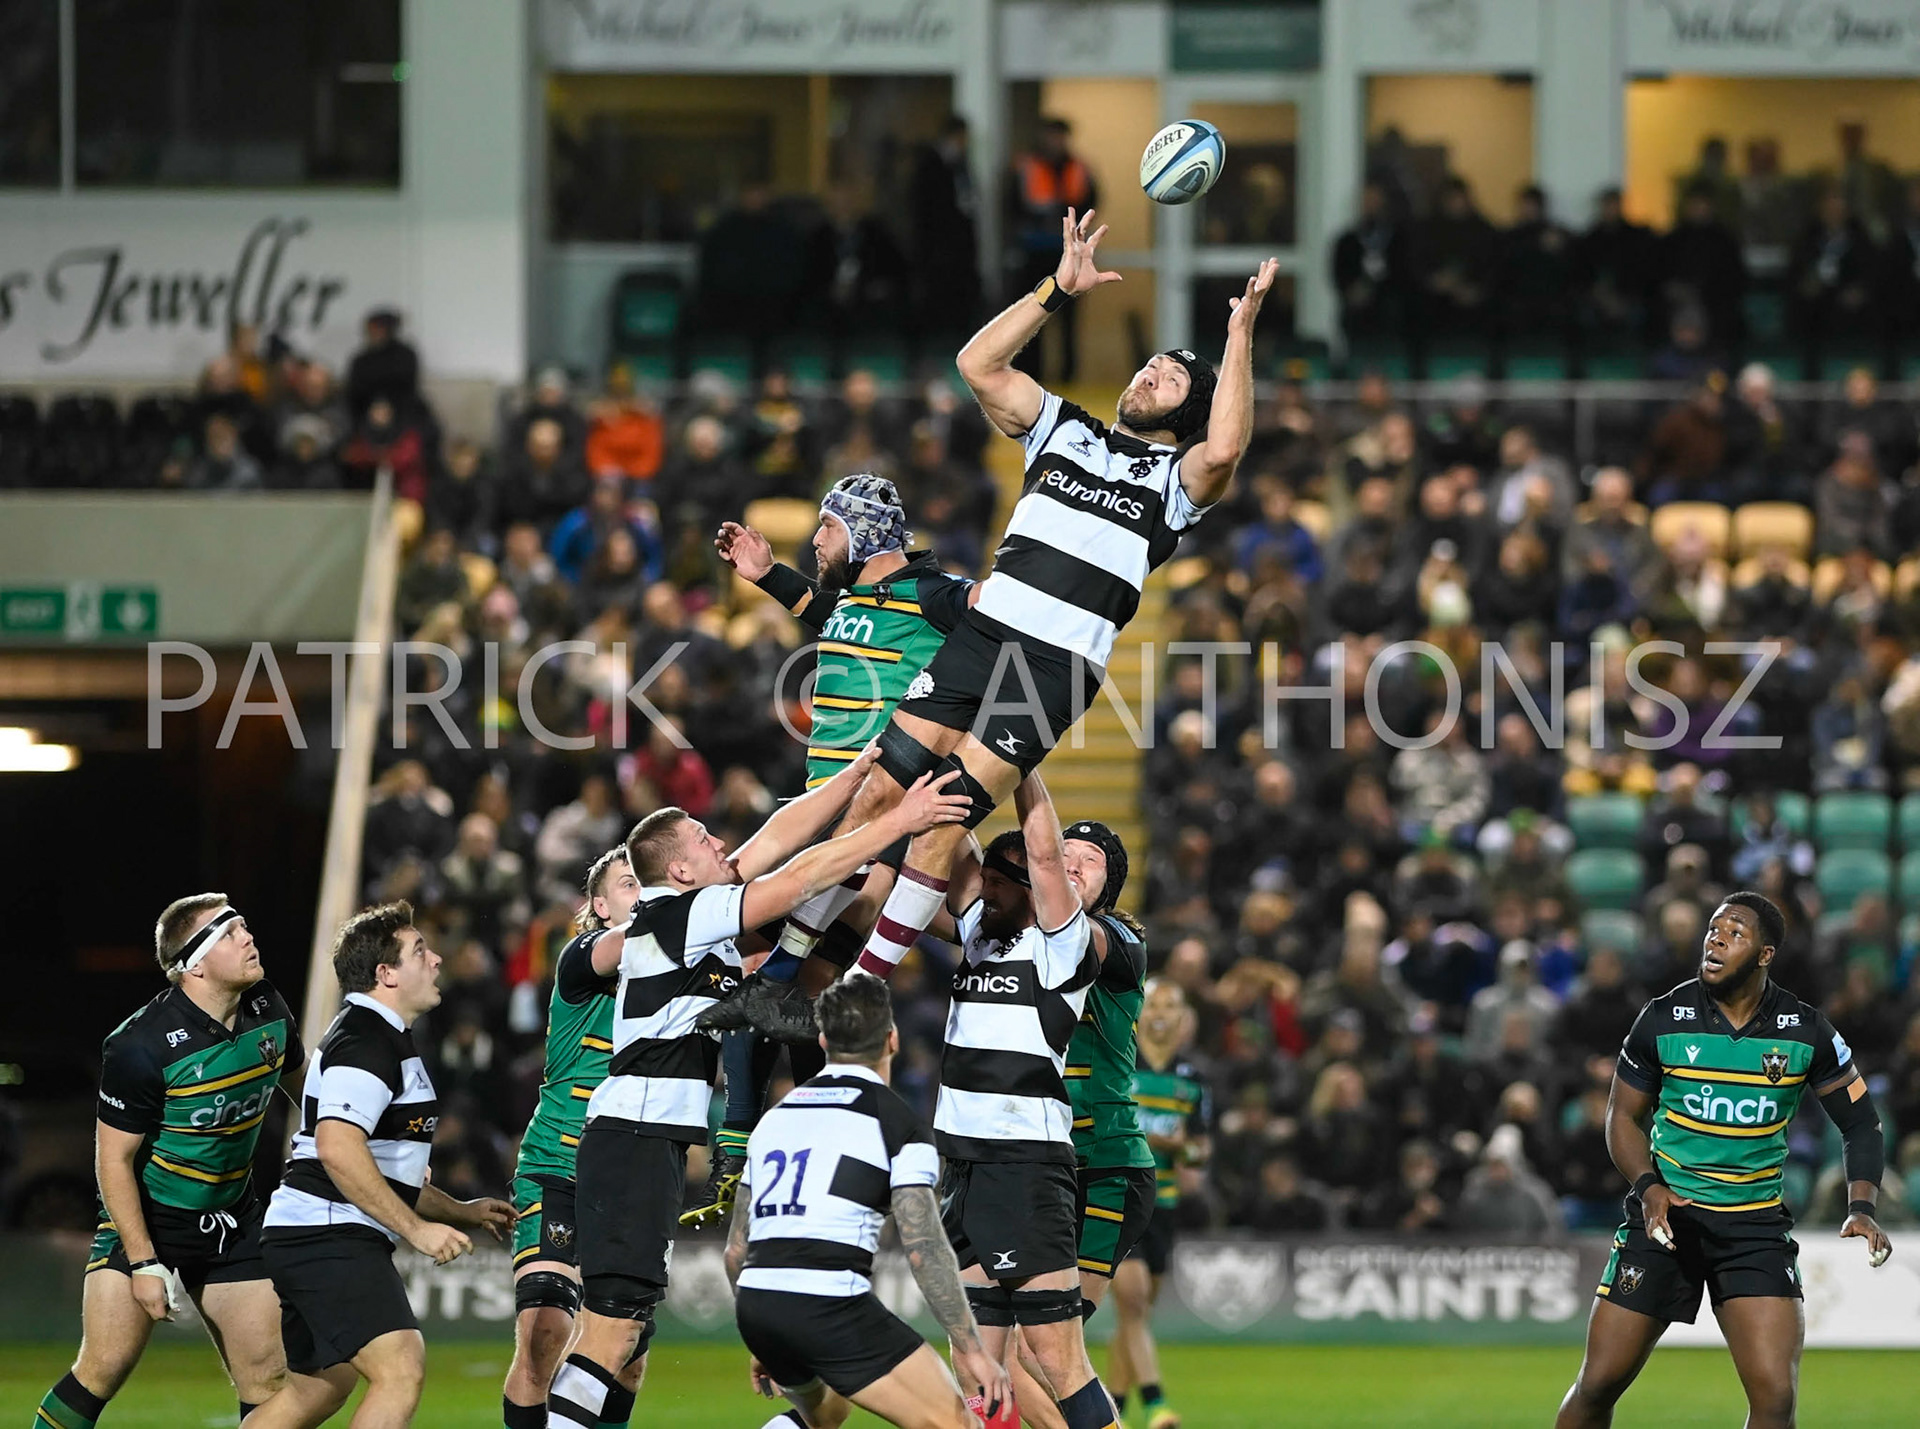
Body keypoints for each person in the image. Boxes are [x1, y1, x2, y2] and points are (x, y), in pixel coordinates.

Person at [803, 215, 1275, 986]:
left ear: (1186, 411)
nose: (1149, 374)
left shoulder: (1171, 487)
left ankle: (859, 982)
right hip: (985, 634)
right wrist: (1056, 289)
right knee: (878, 788)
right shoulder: (1065, 430)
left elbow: (1225, 449)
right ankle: (785, 963)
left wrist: (1239, 335)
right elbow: (977, 363)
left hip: (1052, 667)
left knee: (942, 816)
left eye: (1171, 377)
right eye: (1150, 364)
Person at [539, 751, 969, 1429]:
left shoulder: (684, 916)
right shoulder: (676, 918)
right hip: (634, 1136)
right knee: (611, 1329)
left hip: (641, 1139)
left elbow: (775, 837)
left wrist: (855, 779)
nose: (722, 846)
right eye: (707, 842)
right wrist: (905, 817)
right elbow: (795, 874)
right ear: (679, 870)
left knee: (626, 1335)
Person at [690, 476, 979, 1223]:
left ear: (864, 533)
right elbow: (830, 613)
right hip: (826, 803)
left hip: (877, 809)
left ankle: (740, 1132)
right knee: (794, 982)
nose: (815, 541)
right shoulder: (857, 602)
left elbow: (984, 613)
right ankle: (774, 1131)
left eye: (825, 528)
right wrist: (766, 577)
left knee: (760, 947)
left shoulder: (930, 592)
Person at [1553, 893, 1894, 1429]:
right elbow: (1621, 1118)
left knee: (1776, 1400)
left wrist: (1861, 1204)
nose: (1716, 938)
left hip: (1753, 1230)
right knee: (1596, 1385)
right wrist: (1648, 1188)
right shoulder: (1664, 1017)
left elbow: (1861, 1122)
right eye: (1713, 928)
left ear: (1765, 954)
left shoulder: (1805, 1031)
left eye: (1734, 932)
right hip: (1666, 1222)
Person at [34, 898, 305, 1429]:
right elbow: (113, 1160)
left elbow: (312, 1096)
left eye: (245, 925)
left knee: (270, 1384)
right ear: (194, 964)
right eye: (229, 933)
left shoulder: (267, 1006)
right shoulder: (140, 1045)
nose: (248, 937)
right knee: (101, 1371)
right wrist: (141, 1263)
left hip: (233, 1219)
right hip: (150, 1223)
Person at [248, 903, 514, 1429]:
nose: (436, 959)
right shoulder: (364, 1041)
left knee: (317, 1392)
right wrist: (418, 1230)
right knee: (401, 1368)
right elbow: (337, 1149)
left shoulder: (380, 1036)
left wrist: (460, 1210)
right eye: (420, 951)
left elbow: (381, 1170)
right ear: (385, 974)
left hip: (313, 1232)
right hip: (324, 1234)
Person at [915, 770, 1124, 1429]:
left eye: (1085, 862)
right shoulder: (984, 928)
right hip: (964, 1164)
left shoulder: (1062, 945)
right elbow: (957, 844)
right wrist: (951, 760)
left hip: (1024, 1161)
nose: (1068, 861)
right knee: (974, 1354)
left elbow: (1039, 851)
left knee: (1058, 1356)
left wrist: (1016, 758)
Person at [721, 973, 1010, 1429]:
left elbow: (737, 1251)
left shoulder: (775, 1119)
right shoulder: (897, 1122)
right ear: (892, 1038)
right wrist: (973, 1350)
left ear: (822, 1039)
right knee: (958, 1424)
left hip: (758, 1301)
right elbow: (924, 1247)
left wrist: (768, 1331)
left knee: (828, 1412)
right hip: (828, 1302)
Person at [1008, 821, 1154, 1429]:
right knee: (1019, 1349)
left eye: (1088, 859)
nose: (1070, 863)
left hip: (1108, 1168)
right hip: (1048, 1164)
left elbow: (1067, 928)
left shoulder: (1118, 942)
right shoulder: (1017, 939)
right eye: (1060, 852)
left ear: (1110, 885)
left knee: (1037, 1347)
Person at [500, 851, 643, 1429]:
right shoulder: (585, 956)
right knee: (545, 1330)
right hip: (557, 1163)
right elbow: (641, 938)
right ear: (601, 906)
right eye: (630, 884)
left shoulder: (682, 978)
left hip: (631, 1178)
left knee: (625, 1354)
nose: (643, 892)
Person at [1109, 979, 1210, 1429]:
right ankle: (1156, 1404)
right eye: (1154, 1004)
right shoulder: (1117, 1060)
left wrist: (1186, 1150)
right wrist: (1160, 1140)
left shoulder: (1193, 1080)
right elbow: (1106, 1126)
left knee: (1138, 1318)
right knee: (1131, 1306)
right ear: (1139, 1012)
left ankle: (1111, 1409)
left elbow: (1200, 1149)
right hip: (1117, 1196)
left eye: (1172, 1004)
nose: (1162, 1012)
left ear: (1184, 1017)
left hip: (1163, 1203)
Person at [1007, 118, 1097, 382]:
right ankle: (1032, 376)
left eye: (1059, 136)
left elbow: (1092, 201)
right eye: (1050, 136)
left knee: (1068, 320)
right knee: (1035, 313)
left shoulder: (1080, 168)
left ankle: (1068, 377)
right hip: (1034, 253)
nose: (1054, 142)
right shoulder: (1026, 167)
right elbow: (1012, 205)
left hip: (1067, 253)